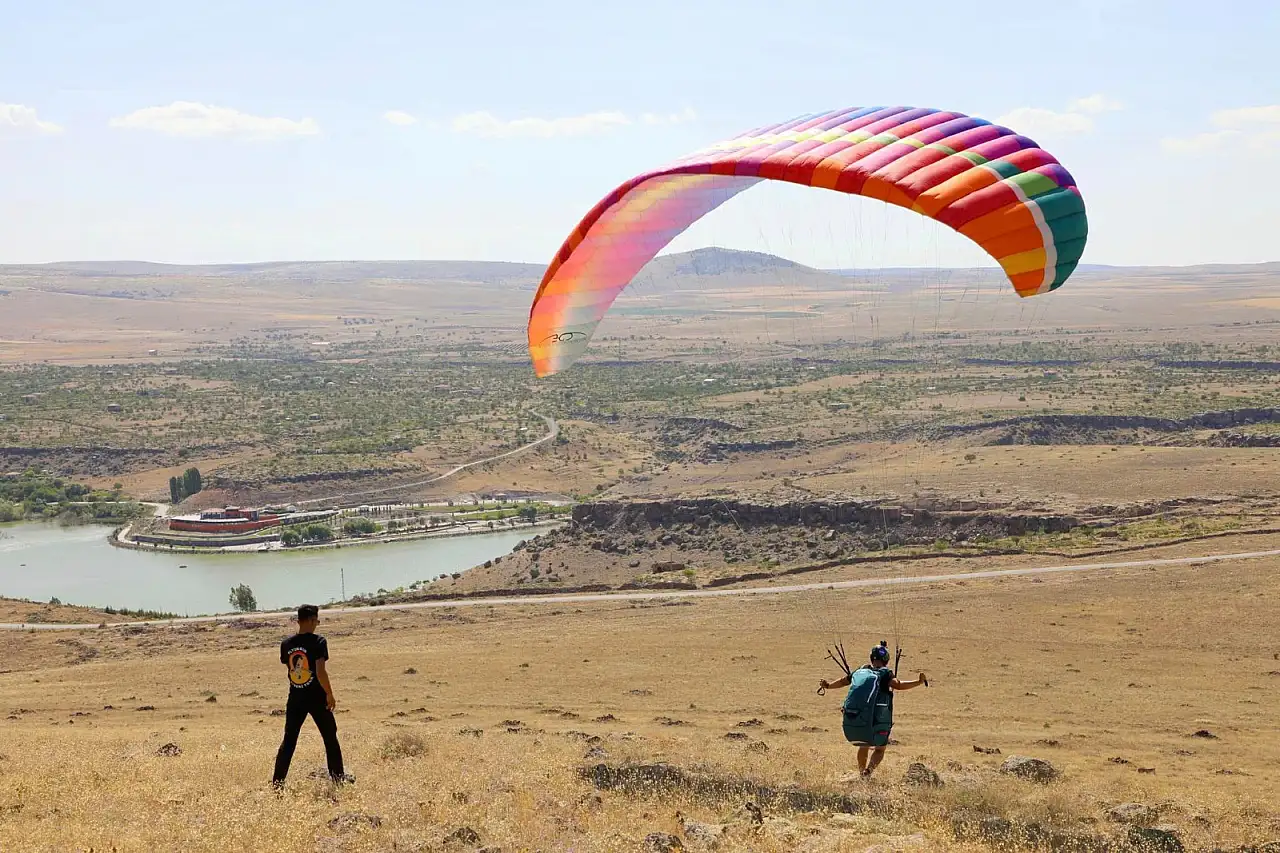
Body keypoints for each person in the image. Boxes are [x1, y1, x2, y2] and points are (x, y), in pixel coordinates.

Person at [818, 641, 927, 779]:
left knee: (863, 745)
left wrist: (827, 686)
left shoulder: (861, 671)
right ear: (886, 659)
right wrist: (918, 682)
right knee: (880, 749)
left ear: (871, 658)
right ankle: (868, 772)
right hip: (878, 720)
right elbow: (898, 685)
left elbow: (843, 681)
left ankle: (861, 772)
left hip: (859, 719)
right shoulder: (885, 673)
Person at [272, 604, 352, 788]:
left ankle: (277, 784)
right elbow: (321, 672)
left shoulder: (286, 645)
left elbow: (291, 671)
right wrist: (330, 694)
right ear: (310, 620)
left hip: (295, 699)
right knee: (330, 737)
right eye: (316, 620)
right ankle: (338, 780)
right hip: (317, 698)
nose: (317, 623)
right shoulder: (319, 642)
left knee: (289, 741)